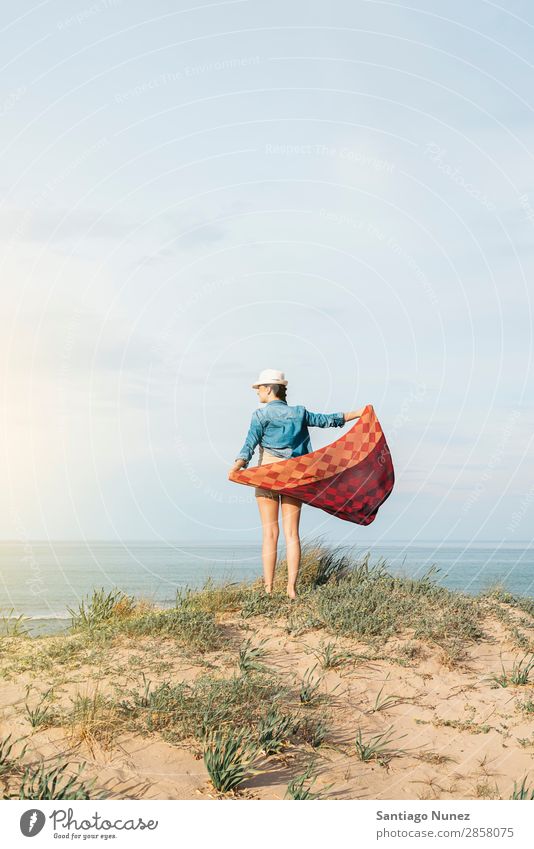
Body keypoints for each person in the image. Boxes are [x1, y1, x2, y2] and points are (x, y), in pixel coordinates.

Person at [229, 368, 365, 599]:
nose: (257, 392)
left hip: (268, 474)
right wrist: (360, 412)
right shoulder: (299, 413)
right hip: (294, 475)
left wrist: (236, 467)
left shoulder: (260, 415)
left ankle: (269, 589)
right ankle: (291, 589)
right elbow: (328, 420)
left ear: (270, 388)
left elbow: (249, 446)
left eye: (260, 388)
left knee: (270, 534)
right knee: (292, 533)